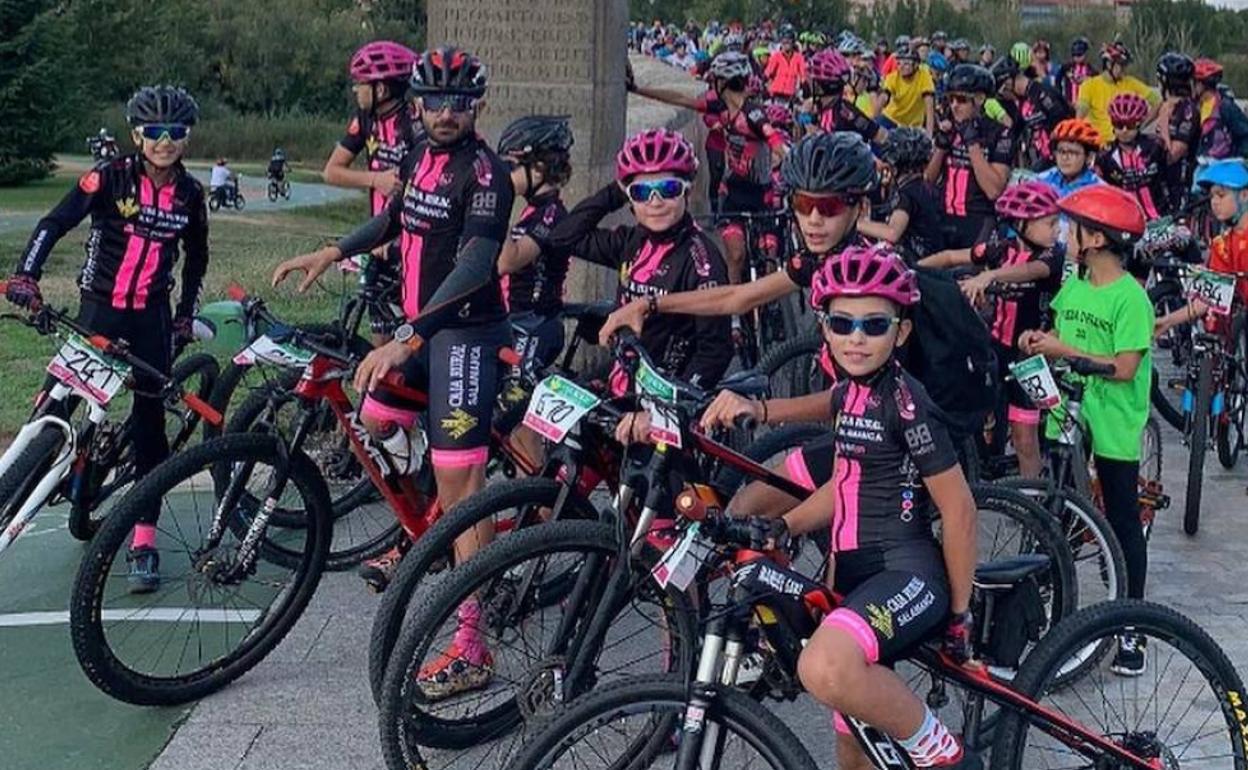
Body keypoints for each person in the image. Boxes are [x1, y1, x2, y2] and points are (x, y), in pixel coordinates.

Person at [699, 244, 981, 770]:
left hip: (906, 574)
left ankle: (943, 752)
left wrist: (961, 616)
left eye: (874, 325)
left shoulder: (908, 404)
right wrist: (783, 524)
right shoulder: (852, 393)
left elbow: (960, 509)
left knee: (825, 666)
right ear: (824, 328)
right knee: (851, 743)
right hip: (852, 575)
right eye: (842, 322)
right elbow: (844, 478)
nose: (856, 336)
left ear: (901, 332)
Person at [271, 47, 514, 604]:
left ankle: (472, 636)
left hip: (465, 337)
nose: (445, 113)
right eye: (434, 102)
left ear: (476, 104)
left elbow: (476, 266)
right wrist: (332, 251)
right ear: (419, 104)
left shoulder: (486, 175)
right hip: (422, 331)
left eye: (457, 103)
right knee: (374, 420)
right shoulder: (417, 157)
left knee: (463, 488)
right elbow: (392, 219)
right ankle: (432, 511)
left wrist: (408, 339)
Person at [7, 86, 207, 593]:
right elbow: (56, 222)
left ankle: (143, 539)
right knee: (59, 399)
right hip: (99, 308)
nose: (165, 142)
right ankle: (28, 472)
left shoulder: (190, 194)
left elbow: (197, 259)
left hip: (151, 319)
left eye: (176, 133)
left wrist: (185, 316)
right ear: (137, 134)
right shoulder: (111, 176)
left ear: (187, 138)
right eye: (155, 133)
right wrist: (26, 277)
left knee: (148, 427)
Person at [1020, 184, 1152, 676]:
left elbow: (1123, 367)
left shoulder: (1130, 298)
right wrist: (1038, 340)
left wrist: (1065, 354)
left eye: (1071, 227)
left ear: (1095, 237)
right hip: (1066, 415)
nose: (1063, 235)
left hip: (1112, 426)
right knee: (1059, 512)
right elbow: (1059, 336)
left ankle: (1131, 628)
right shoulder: (1073, 284)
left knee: (1121, 522)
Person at [596, 132, 878, 357]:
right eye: (802, 204)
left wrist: (762, 410)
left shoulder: (866, 277)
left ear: (861, 208)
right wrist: (649, 303)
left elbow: (851, 404)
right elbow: (738, 297)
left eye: (829, 207)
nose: (814, 220)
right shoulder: (821, 260)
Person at [549, 126, 733, 441]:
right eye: (643, 193)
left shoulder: (701, 258)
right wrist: (616, 191)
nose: (656, 202)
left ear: (687, 190)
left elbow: (715, 350)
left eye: (669, 188)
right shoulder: (631, 241)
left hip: (669, 398)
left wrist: (664, 412)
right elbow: (563, 236)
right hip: (623, 388)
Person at [919, 182, 1065, 478]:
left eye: (1057, 222)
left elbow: (1031, 272)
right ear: (1021, 224)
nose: (1057, 230)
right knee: (965, 407)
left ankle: (1033, 509)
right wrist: (909, 271)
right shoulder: (1000, 249)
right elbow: (949, 257)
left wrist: (989, 277)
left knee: (1025, 438)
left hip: (1030, 356)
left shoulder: (1052, 256)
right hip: (994, 347)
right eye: (1049, 222)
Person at [630, 51, 788, 284]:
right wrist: (639, 89)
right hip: (733, 193)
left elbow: (775, 141)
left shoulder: (753, 114)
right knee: (735, 255)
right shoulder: (718, 105)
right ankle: (734, 312)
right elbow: (681, 99)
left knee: (770, 259)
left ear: (722, 82)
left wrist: (783, 160)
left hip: (761, 195)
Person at [323, 41, 422, 343]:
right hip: (376, 239)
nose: (356, 90)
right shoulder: (365, 120)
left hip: (410, 243)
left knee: (411, 338)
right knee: (379, 336)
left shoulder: (415, 123)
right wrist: (374, 179)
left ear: (382, 89)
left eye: (361, 84)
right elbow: (331, 171)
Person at [495, 116, 574, 377]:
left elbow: (509, 261)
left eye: (511, 167)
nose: (505, 175)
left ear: (539, 166)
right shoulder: (532, 210)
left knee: (511, 408)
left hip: (535, 324)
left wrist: (494, 204)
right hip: (512, 320)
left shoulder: (552, 214)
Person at [1155, 159, 1248, 338]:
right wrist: (1168, 321)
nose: (1214, 203)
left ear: (1244, 195)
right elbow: (1208, 298)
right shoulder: (1222, 244)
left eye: (1221, 195)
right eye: (1211, 196)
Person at [927, 64, 1013, 249]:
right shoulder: (950, 127)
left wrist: (973, 144)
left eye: (961, 99)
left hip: (979, 221)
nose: (954, 105)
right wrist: (941, 146)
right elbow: (928, 180)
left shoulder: (999, 133)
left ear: (980, 99)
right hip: (944, 217)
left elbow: (994, 190)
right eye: (950, 99)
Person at [858, 127, 945, 263]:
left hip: (921, 264)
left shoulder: (907, 194)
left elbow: (893, 232)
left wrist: (857, 223)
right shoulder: (923, 186)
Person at [991, 55, 1073, 170]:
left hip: (1058, 161)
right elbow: (1016, 129)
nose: (1004, 97)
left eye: (1003, 92)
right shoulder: (1021, 101)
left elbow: (1064, 122)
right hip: (1038, 161)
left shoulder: (1042, 93)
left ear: (1008, 83)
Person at [1096, 94, 1169, 221]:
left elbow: (1171, 177)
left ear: (1139, 124)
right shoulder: (1104, 155)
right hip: (1123, 219)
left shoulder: (1155, 146)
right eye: (1119, 124)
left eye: (1130, 125)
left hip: (1160, 214)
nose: (1124, 130)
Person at [1076, 41, 1160, 144]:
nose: (1124, 70)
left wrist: (1141, 126)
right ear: (1108, 64)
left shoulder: (1130, 82)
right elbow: (1081, 112)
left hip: (1124, 143)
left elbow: (1158, 101)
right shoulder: (1089, 85)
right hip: (1098, 144)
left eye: (1125, 66)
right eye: (1121, 65)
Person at [803, 48, 887, 145]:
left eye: (811, 80)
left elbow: (879, 135)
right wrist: (805, 116)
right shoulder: (815, 105)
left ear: (819, 86)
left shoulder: (845, 112)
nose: (807, 82)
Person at [1155, 52, 1200, 211]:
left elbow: (1172, 155)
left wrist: (1163, 121)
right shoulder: (1168, 106)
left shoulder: (1188, 110)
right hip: (1163, 183)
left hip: (1179, 186)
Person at [881, 48, 937, 132]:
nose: (901, 67)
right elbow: (883, 98)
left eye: (906, 64)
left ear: (916, 65)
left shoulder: (924, 76)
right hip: (891, 119)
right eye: (899, 63)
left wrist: (929, 136)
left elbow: (929, 107)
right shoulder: (893, 77)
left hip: (913, 126)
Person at [763, 29, 806, 100]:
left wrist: (803, 86)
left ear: (793, 42)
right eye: (784, 40)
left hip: (791, 95)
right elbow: (767, 73)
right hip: (776, 93)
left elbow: (803, 75)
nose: (786, 42)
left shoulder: (799, 58)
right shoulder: (776, 56)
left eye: (789, 40)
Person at [1057, 37, 1096, 107]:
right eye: (1074, 55)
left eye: (1080, 55)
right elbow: (1058, 81)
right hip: (1068, 105)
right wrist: (1061, 98)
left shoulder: (1092, 71)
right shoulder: (1066, 68)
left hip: (1085, 106)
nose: (1077, 58)